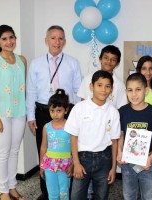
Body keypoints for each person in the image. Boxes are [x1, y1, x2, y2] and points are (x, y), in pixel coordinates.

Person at [26, 25, 82, 200]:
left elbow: (78, 91)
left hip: (68, 113)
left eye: (60, 38)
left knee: (69, 150)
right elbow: (31, 91)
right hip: (43, 112)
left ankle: (68, 190)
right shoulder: (36, 63)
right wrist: (31, 116)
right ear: (46, 40)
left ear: (64, 41)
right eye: (53, 38)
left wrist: (78, 116)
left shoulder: (73, 62)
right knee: (44, 150)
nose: (57, 42)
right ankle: (47, 191)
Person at [77, 45, 127, 199]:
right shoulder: (88, 79)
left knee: (101, 181)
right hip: (87, 138)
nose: (109, 61)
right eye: (106, 58)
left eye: (113, 60)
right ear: (100, 59)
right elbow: (82, 105)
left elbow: (121, 110)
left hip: (106, 138)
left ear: (117, 63)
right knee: (84, 184)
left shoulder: (119, 85)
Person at [0, 25, 27, 200]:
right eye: (4, 39)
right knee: (3, 152)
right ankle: (3, 190)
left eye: (11, 37)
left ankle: (12, 186)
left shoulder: (22, 60)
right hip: (0, 114)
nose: (9, 42)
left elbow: (23, 88)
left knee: (15, 150)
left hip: (19, 112)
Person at [65, 70, 121, 200]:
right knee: (76, 196)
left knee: (101, 196)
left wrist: (113, 168)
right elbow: (73, 137)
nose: (103, 90)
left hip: (104, 160)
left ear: (111, 89)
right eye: (99, 85)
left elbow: (114, 141)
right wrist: (76, 163)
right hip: (83, 159)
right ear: (91, 86)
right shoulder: (79, 108)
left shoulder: (113, 112)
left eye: (107, 86)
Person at [117, 73, 152, 200]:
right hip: (128, 162)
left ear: (146, 90)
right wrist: (119, 152)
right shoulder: (122, 111)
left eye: (138, 89)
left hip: (147, 162)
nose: (134, 94)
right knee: (128, 195)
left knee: (148, 196)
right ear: (126, 91)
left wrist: (151, 157)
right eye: (130, 90)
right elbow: (121, 135)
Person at [39, 89, 73, 200]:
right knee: (52, 193)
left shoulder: (71, 127)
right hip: (49, 165)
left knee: (64, 193)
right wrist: (42, 166)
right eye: (52, 111)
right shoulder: (46, 127)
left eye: (59, 110)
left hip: (65, 165)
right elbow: (43, 147)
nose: (55, 114)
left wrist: (73, 164)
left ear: (66, 110)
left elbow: (75, 147)